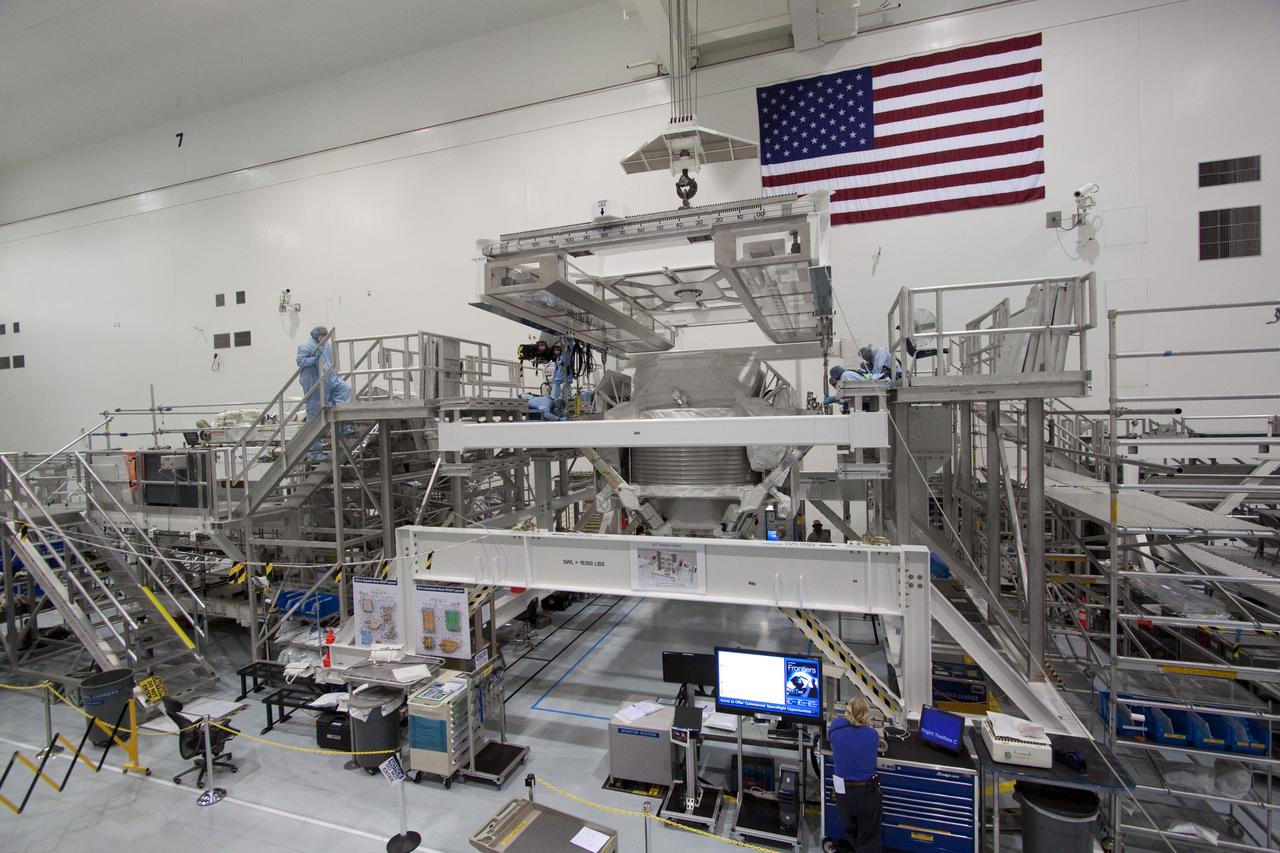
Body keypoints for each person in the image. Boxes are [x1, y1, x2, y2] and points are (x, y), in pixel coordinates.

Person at [828, 697, 885, 852]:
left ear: (847, 713)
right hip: (867, 794)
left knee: (851, 832)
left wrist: (849, 719)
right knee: (869, 839)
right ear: (867, 715)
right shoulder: (872, 735)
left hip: (844, 795)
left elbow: (838, 723)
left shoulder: (835, 730)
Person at [296, 326, 354, 458]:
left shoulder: (326, 345)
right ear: (316, 335)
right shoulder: (306, 345)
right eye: (322, 334)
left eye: (325, 334)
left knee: (345, 390)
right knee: (315, 416)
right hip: (314, 381)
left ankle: (344, 426)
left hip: (329, 377)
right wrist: (313, 359)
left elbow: (329, 362)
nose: (324, 336)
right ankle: (314, 453)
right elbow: (300, 361)